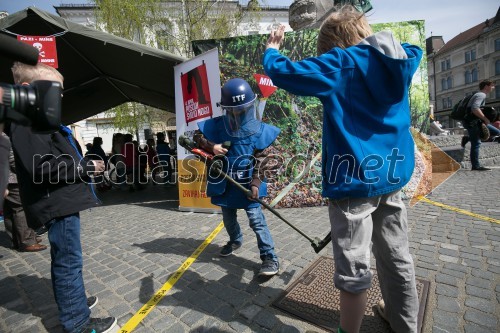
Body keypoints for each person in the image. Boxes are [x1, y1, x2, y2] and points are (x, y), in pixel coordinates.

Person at [263, 5, 422, 332]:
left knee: (353, 269)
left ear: (335, 45)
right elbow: (413, 48)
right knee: (397, 257)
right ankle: (404, 323)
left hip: (353, 182)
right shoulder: (401, 60)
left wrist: (271, 49)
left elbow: (284, 73)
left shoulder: (341, 63)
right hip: (391, 176)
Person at [7, 61, 116, 333]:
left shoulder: (38, 117)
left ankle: (74, 301)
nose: (61, 96)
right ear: (27, 91)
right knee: (68, 262)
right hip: (55, 202)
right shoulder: (28, 119)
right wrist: (83, 167)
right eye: (56, 90)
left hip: (61, 200)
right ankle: (77, 322)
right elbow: (40, 166)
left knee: (68, 259)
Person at [194, 78, 281, 276]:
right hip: (226, 184)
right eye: (233, 110)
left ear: (249, 106)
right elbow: (196, 137)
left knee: (256, 220)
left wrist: (256, 183)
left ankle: (269, 257)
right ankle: (235, 240)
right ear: (226, 108)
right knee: (228, 217)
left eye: (241, 110)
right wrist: (211, 146)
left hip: (248, 186)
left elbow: (263, 160)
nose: (236, 114)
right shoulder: (217, 126)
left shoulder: (258, 130)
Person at [2, 136, 47, 252]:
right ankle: (27, 241)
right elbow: (12, 158)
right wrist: (26, 172)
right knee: (21, 208)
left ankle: (16, 240)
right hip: (12, 178)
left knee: (9, 210)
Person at [460, 80, 496, 170]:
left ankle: (468, 138)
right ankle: (476, 166)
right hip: (472, 122)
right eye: (492, 86)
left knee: (496, 132)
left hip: (475, 121)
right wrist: (485, 118)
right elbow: (475, 108)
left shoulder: (478, 94)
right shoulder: (481, 95)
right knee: (476, 143)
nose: (493, 87)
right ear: (486, 86)